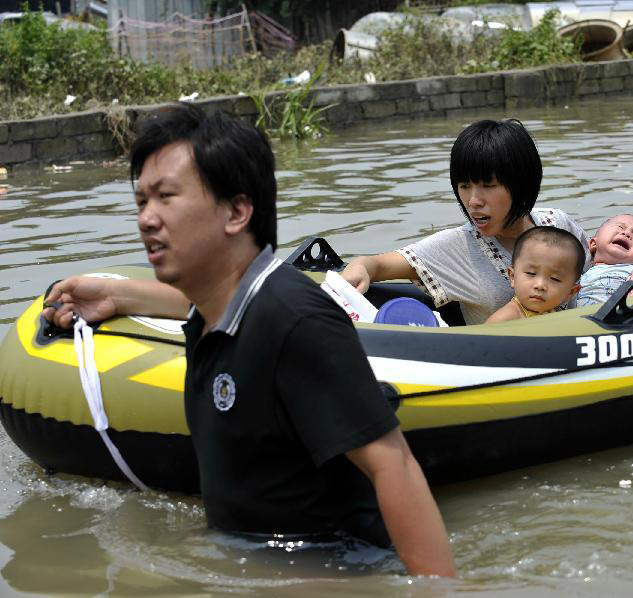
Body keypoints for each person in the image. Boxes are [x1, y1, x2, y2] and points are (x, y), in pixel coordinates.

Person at [41, 104, 455, 577]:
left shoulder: (298, 321)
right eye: (141, 202)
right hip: (255, 564)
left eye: (166, 197)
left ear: (237, 211)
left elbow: (394, 466)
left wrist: (437, 590)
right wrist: (118, 294)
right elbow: (201, 303)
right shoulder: (215, 311)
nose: (147, 219)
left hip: (334, 575)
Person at [341, 119, 591, 325]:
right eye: (464, 186)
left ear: (521, 183)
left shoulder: (559, 224)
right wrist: (359, 268)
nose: (473, 201)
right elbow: (376, 264)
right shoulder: (457, 247)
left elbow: (600, 277)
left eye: (488, 186)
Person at [485, 226, 584, 323]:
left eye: (555, 279)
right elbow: (480, 339)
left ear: (570, 292)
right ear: (513, 277)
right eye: (531, 273)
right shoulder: (505, 319)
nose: (540, 285)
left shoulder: (561, 318)